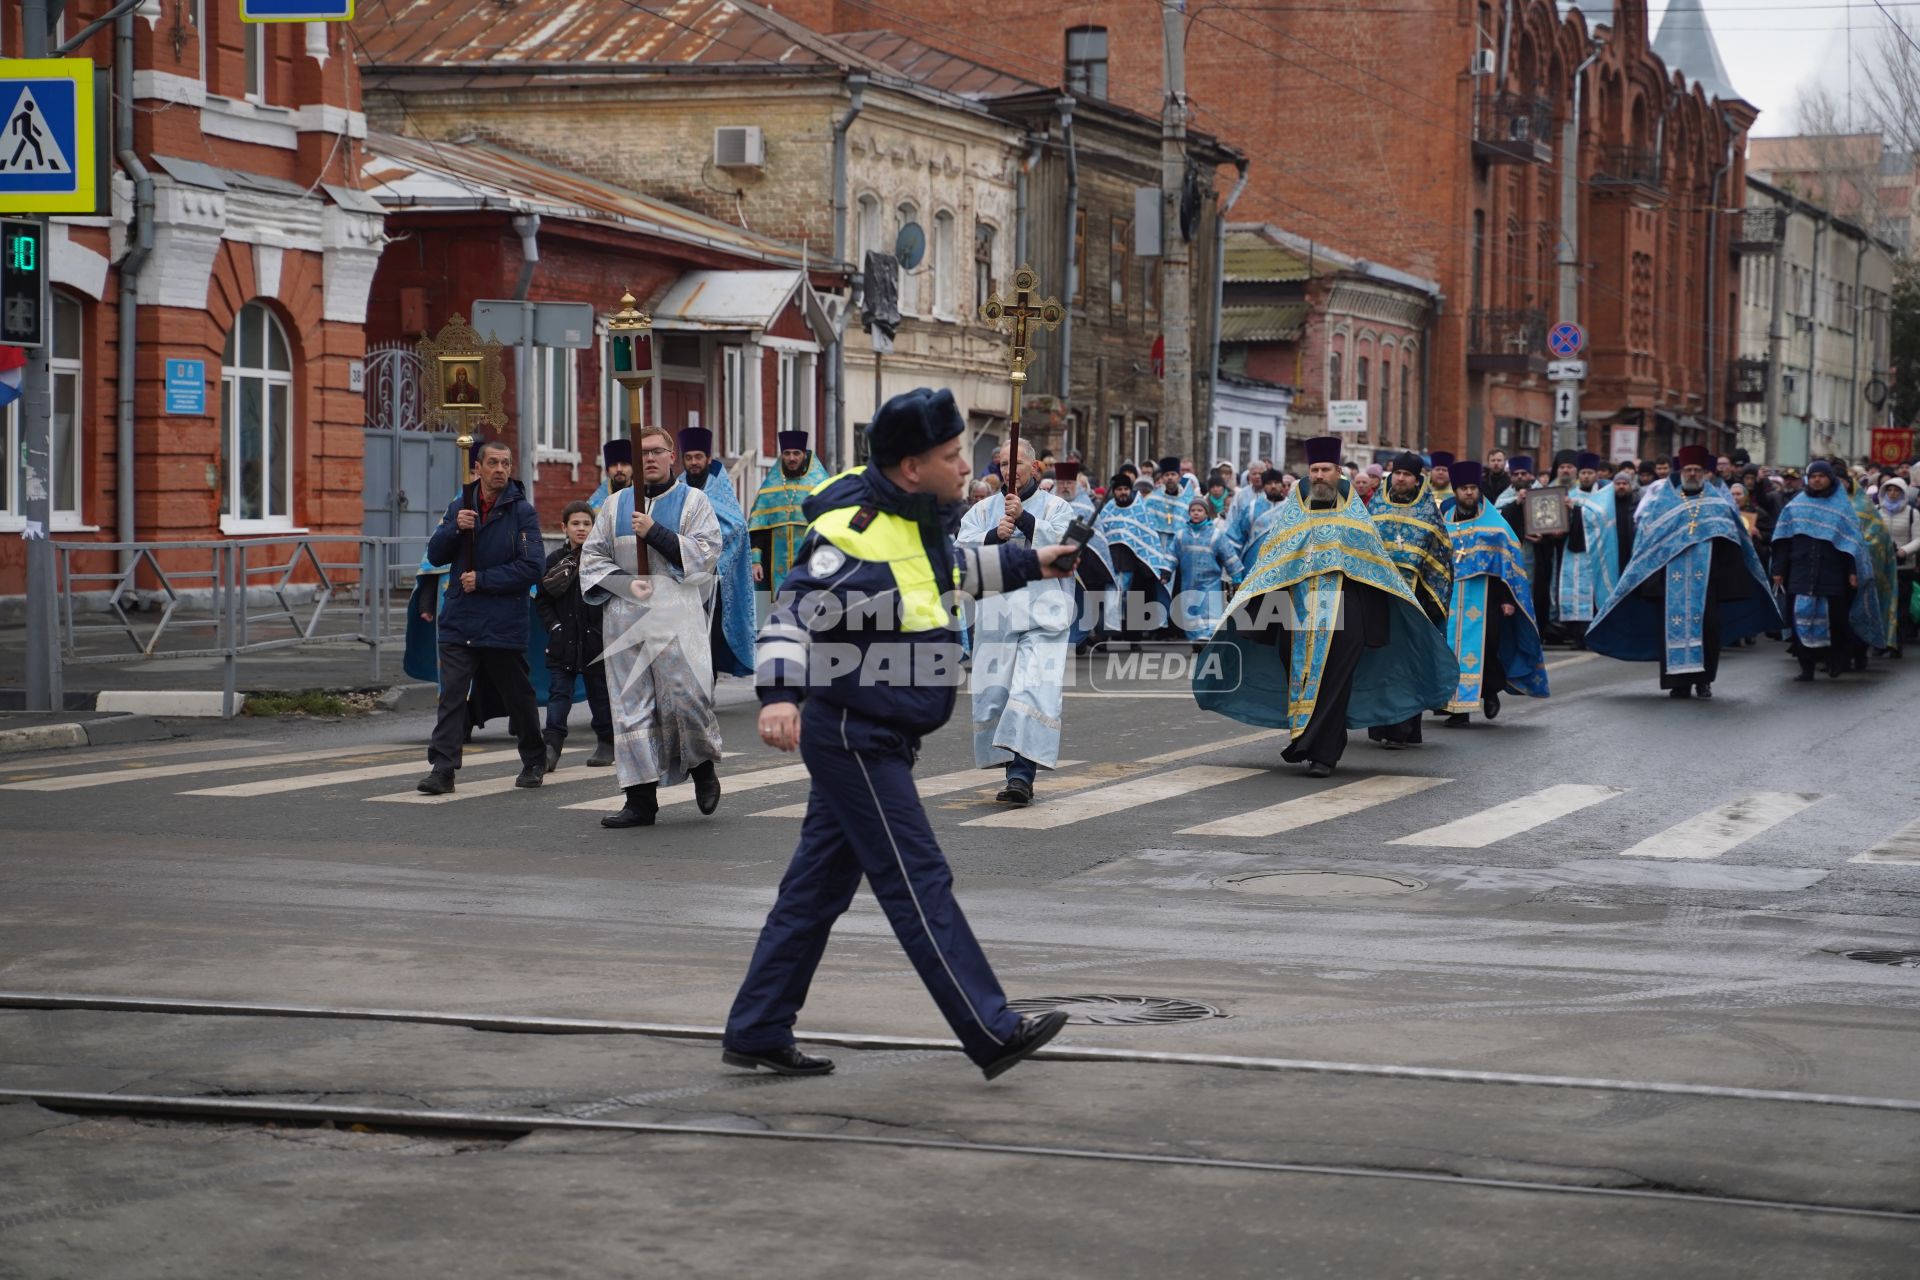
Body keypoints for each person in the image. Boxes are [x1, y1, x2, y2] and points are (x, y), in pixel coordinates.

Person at [723, 387, 1078, 1081]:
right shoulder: (850, 531)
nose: (965, 467)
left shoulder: (914, 518)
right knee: (919, 880)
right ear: (911, 466)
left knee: (815, 890)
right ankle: (991, 1027)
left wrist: (1034, 562)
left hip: (875, 730)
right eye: (952, 456)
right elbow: (791, 612)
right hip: (855, 732)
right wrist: (777, 696)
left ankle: (758, 1024)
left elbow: (947, 573)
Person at [1193, 436, 1457, 778]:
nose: (1319, 476)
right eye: (1314, 470)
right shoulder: (1293, 514)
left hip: (1345, 614)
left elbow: (1376, 568)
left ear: (1338, 473)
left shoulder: (1356, 517)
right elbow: (1270, 566)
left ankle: (1323, 753)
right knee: (1299, 676)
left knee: (1335, 681)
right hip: (1294, 613)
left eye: (1325, 470)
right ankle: (1305, 736)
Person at [578, 425, 725, 826]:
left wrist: (656, 533)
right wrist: (626, 583)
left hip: (676, 615)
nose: (649, 459)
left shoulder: (694, 502)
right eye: (642, 454)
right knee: (630, 707)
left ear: (671, 456)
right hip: (626, 616)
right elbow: (591, 559)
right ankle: (640, 800)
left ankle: (702, 769)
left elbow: (708, 552)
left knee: (687, 698)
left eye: (656, 452)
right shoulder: (613, 505)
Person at [1589, 445, 1779, 698]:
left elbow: (1734, 544)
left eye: (1696, 470)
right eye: (1687, 469)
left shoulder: (1718, 504)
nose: (1691, 474)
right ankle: (1678, 684)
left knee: (1708, 630)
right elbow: (1649, 544)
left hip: (1708, 580)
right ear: (1682, 472)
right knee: (1670, 630)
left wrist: (1725, 578)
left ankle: (1704, 682)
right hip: (1670, 581)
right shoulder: (1664, 504)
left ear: (1704, 473)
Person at [416, 440, 547, 795]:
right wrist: (454, 528)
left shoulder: (522, 512)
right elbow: (436, 554)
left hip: (503, 619)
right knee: (452, 695)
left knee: (517, 695)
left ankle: (535, 758)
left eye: (506, 463)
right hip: (460, 617)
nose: (501, 469)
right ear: (478, 468)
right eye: (493, 463)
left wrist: (485, 580)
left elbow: (533, 566)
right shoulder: (461, 505)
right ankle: (442, 769)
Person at [957, 441, 1075, 806]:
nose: (1009, 471)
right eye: (1003, 464)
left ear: (1035, 467)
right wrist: (994, 536)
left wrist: (1025, 520)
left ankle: (1021, 777)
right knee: (998, 694)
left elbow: (1067, 548)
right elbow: (960, 553)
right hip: (997, 613)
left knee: (1031, 691)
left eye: (1017, 463)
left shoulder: (1057, 506)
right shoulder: (982, 510)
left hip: (1042, 614)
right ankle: (1012, 764)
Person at [1440, 462, 1549, 724]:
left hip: (1486, 596)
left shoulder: (1495, 524)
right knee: (1449, 649)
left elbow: (1509, 564)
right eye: (1463, 489)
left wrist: (1507, 599)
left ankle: (1489, 692)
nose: (1468, 493)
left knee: (1487, 648)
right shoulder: (1443, 522)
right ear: (1455, 491)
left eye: (1472, 488)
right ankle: (1458, 708)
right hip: (1452, 597)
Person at [1365, 451, 1452, 747]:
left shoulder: (1429, 514)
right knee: (1379, 663)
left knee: (1406, 665)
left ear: (1417, 480)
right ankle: (1379, 726)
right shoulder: (1374, 507)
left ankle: (1403, 730)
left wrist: (1428, 604)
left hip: (1414, 602)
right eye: (1397, 474)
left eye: (1406, 475)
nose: (1400, 479)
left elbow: (1441, 563)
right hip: (1378, 599)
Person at [1772, 460, 1877, 680]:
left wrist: (1852, 571)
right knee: (1798, 619)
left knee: (1835, 620)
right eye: (1813, 476)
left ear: (1830, 478)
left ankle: (1835, 660)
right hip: (1799, 571)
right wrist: (1778, 569)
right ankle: (1806, 667)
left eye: (1822, 476)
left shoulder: (1842, 508)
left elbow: (1853, 545)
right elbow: (1783, 541)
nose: (1817, 480)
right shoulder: (1795, 505)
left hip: (1832, 572)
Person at [536, 501, 615, 772]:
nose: (581, 529)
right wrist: (554, 627)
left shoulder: (601, 560)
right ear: (564, 528)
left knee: (599, 694)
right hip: (563, 641)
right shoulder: (555, 561)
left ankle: (606, 741)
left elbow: (611, 600)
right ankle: (551, 747)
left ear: (594, 528)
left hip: (595, 642)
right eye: (575, 524)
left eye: (586, 524)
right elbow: (542, 600)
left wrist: (603, 629)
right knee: (559, 695)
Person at [677, 426, 756, 680]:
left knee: (708, 632)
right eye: (688, 458)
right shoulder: (677, 486)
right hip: (683, 573)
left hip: (714, 578)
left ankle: (707, 683)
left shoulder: (719, 488)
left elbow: (737, 526)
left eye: (698, 457)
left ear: (708, 458)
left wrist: (709, 554)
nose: (693, 463)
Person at [1093, 470, 1176, 641]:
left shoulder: (1139, 508)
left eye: (1125, 489)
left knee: (1135, 602)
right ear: (1114, 491)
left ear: (1130, 490)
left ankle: (1134, 640)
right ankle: (1104, 638)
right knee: (1110, 600)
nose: (1123, 492)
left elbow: (1149, 538)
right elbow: (1100, 536)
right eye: (1119, 489)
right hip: (1113, 564)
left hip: (1136, 564)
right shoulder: (1107, 510)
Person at [748, 431, 832, 594]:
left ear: (804, 454)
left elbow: (830, 526)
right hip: (774, 567)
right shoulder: (771, 487)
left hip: (811, 562)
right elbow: (758, 530)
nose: (792, 458)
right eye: (787, 453)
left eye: (796, 453)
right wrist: (756, 561)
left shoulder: (819, 483)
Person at [1557, 451, 1624, 648]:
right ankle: (1577, 637)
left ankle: (1594, 636)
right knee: (1574, 591)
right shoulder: (1570, 495)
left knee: (1593, 592)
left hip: (1597, 552)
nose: (1586, 476)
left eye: (1590, 473)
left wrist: (1576, 510)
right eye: (1583, 473)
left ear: (1596, 474)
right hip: (1573, 552)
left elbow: (1601, 520)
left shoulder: (1604, 496)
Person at [1173, 497, 1244, 642]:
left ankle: (1207, 637)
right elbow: (1171, 554)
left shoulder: (1216, 535)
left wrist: (1236, 578)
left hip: (1210, 582)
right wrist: (1166, 572)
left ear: (1206, 513)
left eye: (1200, 510)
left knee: (1209, 609)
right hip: (1188, 582)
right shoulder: (1181, 535)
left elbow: (1229, 557)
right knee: (1189, 610)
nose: (1196, 513)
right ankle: (1195, 639)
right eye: (1193, 510)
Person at [1848, 471, 1902, 657]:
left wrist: (1854, 546)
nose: (1893, 493)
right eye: (1890, 490)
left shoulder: (1866, 508)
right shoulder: (1831, 505)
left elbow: (1876, 537)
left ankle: (1862, 649)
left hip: (1869, 565)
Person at [1880, 476, 1920, 653]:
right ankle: (1881, 641)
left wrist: (1904, 551)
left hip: (1904, 566)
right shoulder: (1877, 511)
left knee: (1901, 606)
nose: (1893, 493)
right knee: (1882, 604)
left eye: (1896, 490)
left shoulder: (1912, 513)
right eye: (1889, 490)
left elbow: (1918, 538)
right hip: (1881, 566)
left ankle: (1897, 640)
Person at [1224, 468, 1286, 566]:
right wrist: (1235, 570)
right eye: (1269, 483)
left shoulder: (1291, 508)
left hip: (1283, 566)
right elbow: (1234, 538)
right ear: (1264, 486)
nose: (1273, 486)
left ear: (1282, 485)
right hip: (1253, 565)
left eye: (1276, 482)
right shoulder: (1252, 508)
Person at [589, 437, 633, 512]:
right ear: (607, 470)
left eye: (624, 464)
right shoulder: (595, 503)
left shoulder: (644, 497)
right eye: (614, 465)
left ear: (633, 468)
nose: (619, 469)